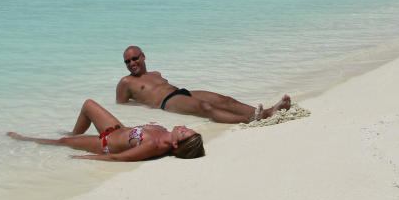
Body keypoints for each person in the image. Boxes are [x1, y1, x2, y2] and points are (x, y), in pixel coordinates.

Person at [117, 46, 291, 124]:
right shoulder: (126, 82)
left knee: (225, 100)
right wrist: (146, 106)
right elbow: (122, 105)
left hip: (181, 92)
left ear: (143, 56)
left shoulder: (155, 74)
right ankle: (250, 120)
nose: (131, 63)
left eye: (135, 58)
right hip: (166, 102)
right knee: (205, 107)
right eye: (127, 61)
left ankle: (267, 112)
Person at [7, 99, 204, 161]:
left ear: (176, 144)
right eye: (188, 129)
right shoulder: (163, 132)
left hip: (105, 144)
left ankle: (24, 138)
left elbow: (118, 158)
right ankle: (74, 133)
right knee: (88, 105)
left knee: (62, 143)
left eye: (185, 132)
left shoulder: (153, 145)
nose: (184, 127)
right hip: (115, 128)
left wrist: (84, 158)